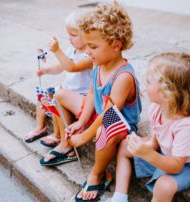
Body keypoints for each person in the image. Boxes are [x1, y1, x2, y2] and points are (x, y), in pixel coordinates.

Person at [40, 2, 142, 201]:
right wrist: (81, 121)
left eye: (93, 47)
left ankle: (98, 173)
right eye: (86, 46)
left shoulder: (123, 77)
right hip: (98, 114)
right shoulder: (99, 63)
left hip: (119, 125)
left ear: (116, 45)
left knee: (105, 131)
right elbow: (91, 93)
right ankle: (67, 144)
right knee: (60, 94)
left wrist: (85, 135)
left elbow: (109, 114)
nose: (87, 52)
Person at [109, 52, 190, 202]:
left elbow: (176, 166)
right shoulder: (158, 107)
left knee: (164, 186)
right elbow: (156, 139)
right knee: (124, 146)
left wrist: (148, 154)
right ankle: (119, 197)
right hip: (168, 152)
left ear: (168, 93)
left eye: (149, 82)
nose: (144, 84)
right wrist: (144, 145)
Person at [23, 9, 93, 147]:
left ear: (88, 35)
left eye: (73, 35)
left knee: (55, 99)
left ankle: (56, 134)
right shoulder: (71, 50)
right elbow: (61, 66)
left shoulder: (89, 55)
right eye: (69, 35)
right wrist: (46, 70)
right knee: (43, 96)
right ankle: (40, 127)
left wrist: (57, 50)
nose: (70, 39)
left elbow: (71, 67)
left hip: (81, 96)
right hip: (68, 90)